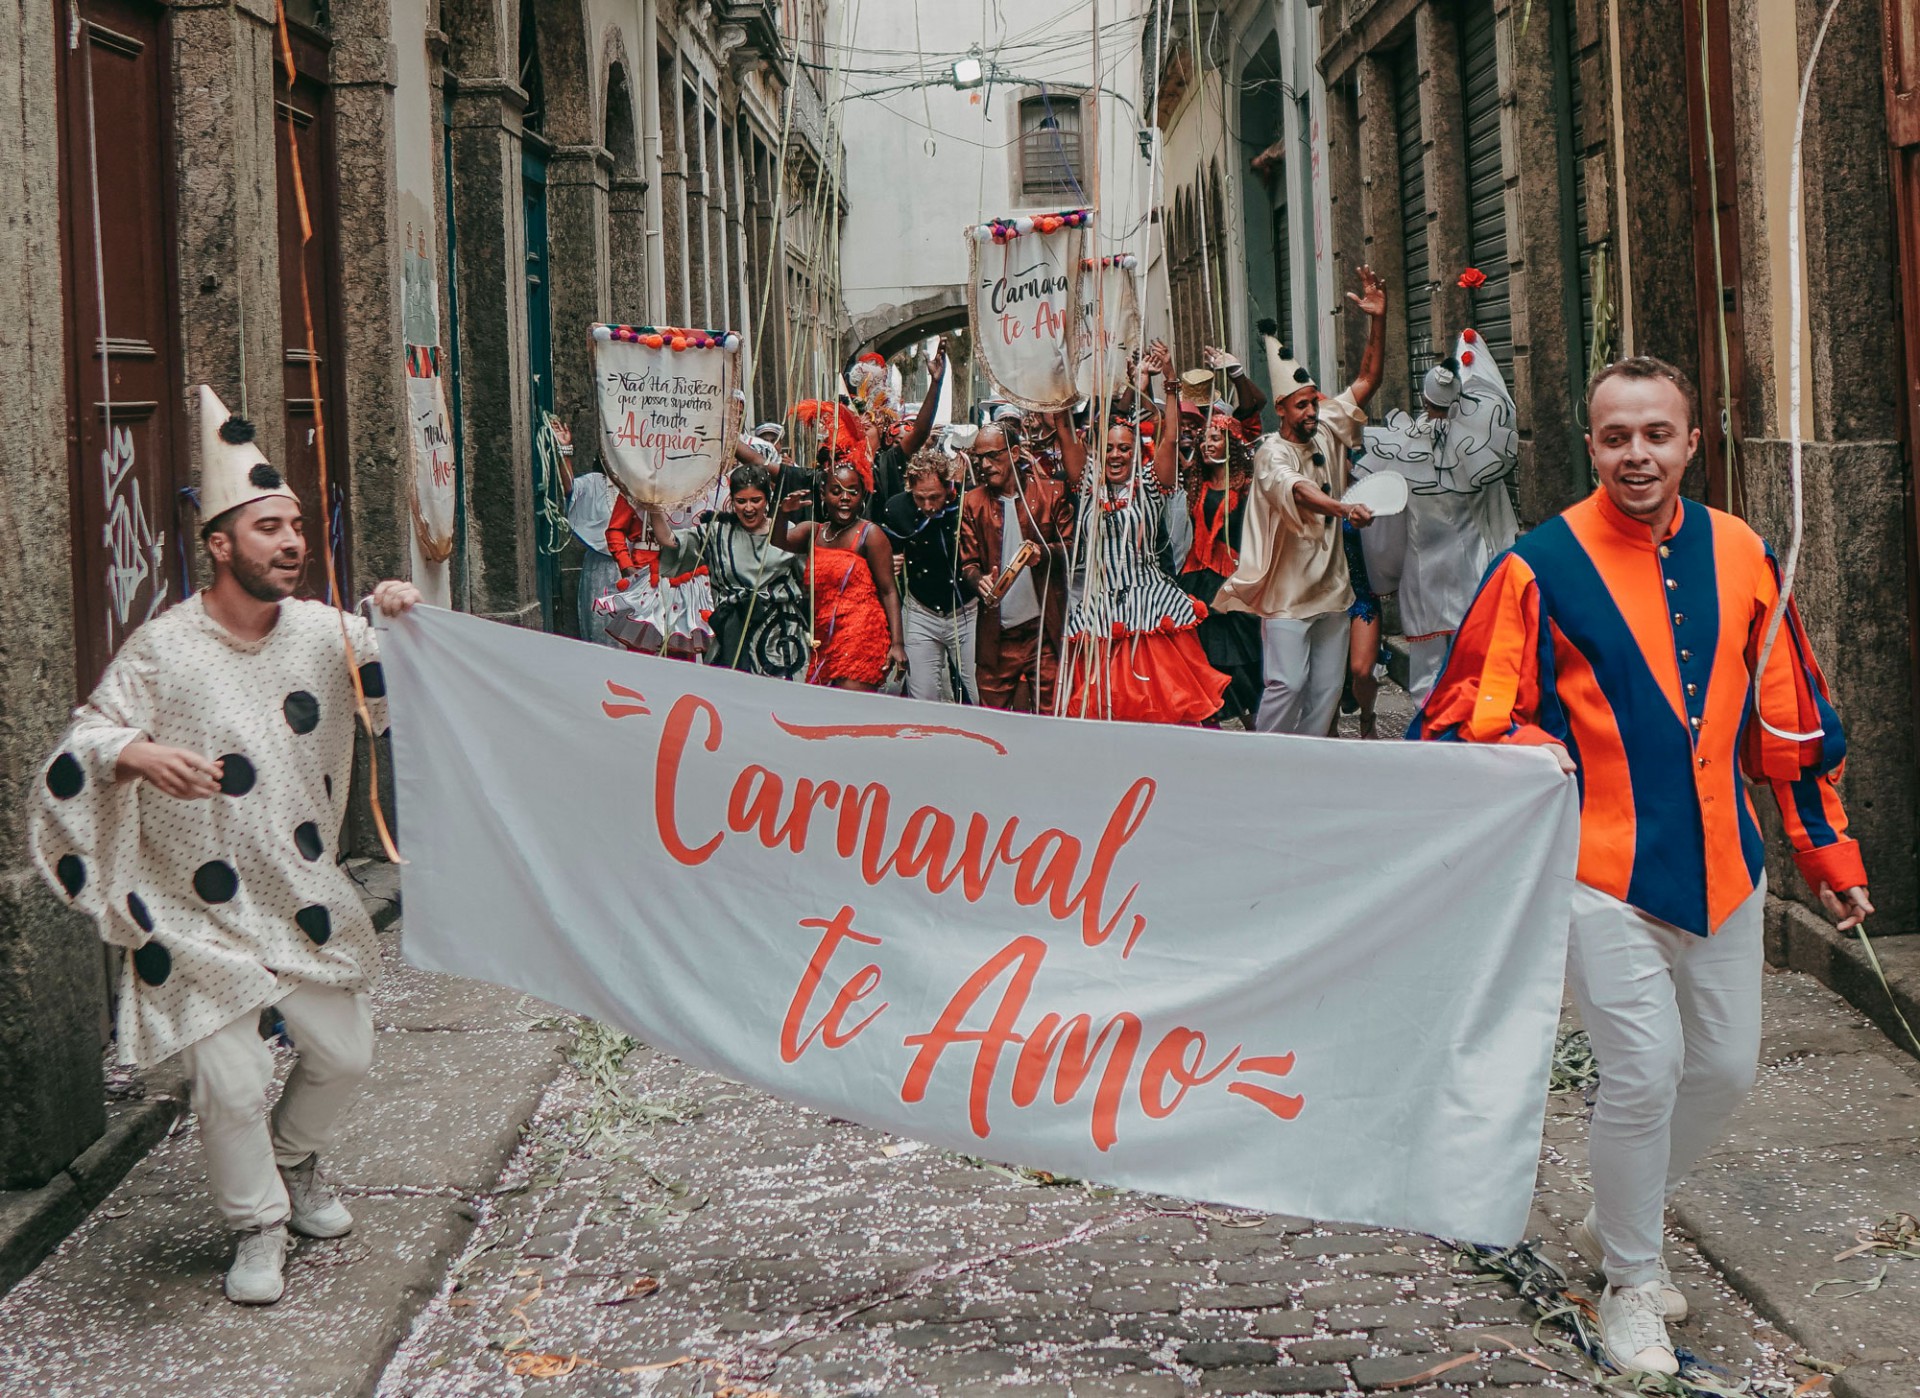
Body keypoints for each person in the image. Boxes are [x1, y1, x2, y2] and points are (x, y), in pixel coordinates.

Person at [1413, 357, 1872, 1376]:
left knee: (1723, 1068)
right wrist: (1522, 744)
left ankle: (1617, 1218)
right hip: (1600, 868)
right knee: (1645, 1070)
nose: (1636, 454)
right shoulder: (1539, 564)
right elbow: (1459, 714)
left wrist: (1827, 854)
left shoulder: (1745, 551)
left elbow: (1789, 721)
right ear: (1590, 445)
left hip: (1726, 867)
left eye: (1656, 434)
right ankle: (1630, 1286)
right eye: (1616, 436)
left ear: (1691, 441)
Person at [30, 386, 422, 1306]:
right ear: (218, 545)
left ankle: (294, 1164)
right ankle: (257, 1226)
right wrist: (137, 752)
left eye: (296, 527)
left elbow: (401, 667)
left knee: (346, 1052)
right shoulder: (162, 649)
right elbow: (79, 747)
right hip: (192, 909)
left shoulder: (329, 632)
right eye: (267, 528)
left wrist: (402, 606)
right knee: (233, 1078)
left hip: (296, 890)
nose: (290, 543)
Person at [1216, 269, 1387, 735]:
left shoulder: (1328, 426)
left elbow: (1368, 377)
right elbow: (1299, 491)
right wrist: (1344, 508)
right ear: (1282, 410)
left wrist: (1379, 319)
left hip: (1333, 591)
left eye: (1314, 402)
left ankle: (1312, 771)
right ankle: (1265, 764)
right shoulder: (1271, 451)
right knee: (1287, 685)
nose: (1312, 411)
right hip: (1287, 598)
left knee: (1327, 692)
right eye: (1302, 406)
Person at [1058, 343, 1229, 725]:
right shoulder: (1087, 485)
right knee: (1105, 709)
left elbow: (1169, 437)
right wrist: (1060, 370)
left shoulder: (1151, 484)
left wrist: (1169, 380)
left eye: (1124, 448)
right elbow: (1064, 430)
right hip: (1099, 609)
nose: (1116, 455)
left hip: (1149, 607)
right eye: (1109, 449)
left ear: (1137, 453)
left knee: (1161, 706)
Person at [1359, 334, 1519, 700]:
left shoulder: (1398, 450)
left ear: (1424, 399)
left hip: (1423, 573)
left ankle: (1431, 736)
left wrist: (1384, 574)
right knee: (1477, 664)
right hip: (1475, 571)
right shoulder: (1483, 451)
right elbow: (1499, 518)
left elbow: (1386, 524)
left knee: (1427, 673)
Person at [646, 462, 809, 679]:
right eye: (741, 501)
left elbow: (809, 581)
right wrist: (651, 503)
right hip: (732, 632)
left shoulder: (787, 532)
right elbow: (670, 541)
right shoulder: (717, 532)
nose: (748, 508)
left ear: (767, 500)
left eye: (755, 500)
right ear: (732, 502)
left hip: (781, 636)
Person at [959, 422, 1074, 713]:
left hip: (1044, 631)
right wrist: (979, 580)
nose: (984, 465)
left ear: (1014, 452)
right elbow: (967, 563)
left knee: (1054, 715)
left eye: (993, 456)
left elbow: (1072, 549)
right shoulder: (972, 503)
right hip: (998, 635)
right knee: (991, 719)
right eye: (979, 458)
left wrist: (1043, 553)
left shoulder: (1052, 493)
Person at [770, 462, 907, 690]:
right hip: (824, 638)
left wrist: (898, 644)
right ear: (823, 494)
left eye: (853, 492)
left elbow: (889, 590)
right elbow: (778, 540)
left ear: (862, 495)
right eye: (836, 491)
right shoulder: (812, 531)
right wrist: (783, 513)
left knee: (852, 711)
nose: (845, 498)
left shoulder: (870, 535)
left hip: (861, 635)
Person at [1175, 398, 1264, 724]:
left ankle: (1256, 729)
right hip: (1200, 580)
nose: (1207, 444)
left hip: (1235, 582)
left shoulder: (1248, 487)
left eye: (1215, 438)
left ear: (1230, 442)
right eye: (1204, 439)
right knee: (1207, 660)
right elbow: (1165, 438)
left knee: (1245, 660)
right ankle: (1214, 728)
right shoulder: (1194, 483)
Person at [882, 448, 979, 702]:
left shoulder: (967, 504)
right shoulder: (896, 509)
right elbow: (883, 552)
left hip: (966, 610)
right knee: (922, 697)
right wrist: (890, 561)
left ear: (949, 487)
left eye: (934, 497)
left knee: (979, 693)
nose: (927, 506)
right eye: (919, 498)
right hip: (920, 612)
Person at [560, 461, 622, 647]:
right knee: (603, 628)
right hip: (602, 568)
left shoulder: (642, 485)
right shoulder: (595, 482)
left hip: (638, 568)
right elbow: (570, 488)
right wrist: (565, 451)